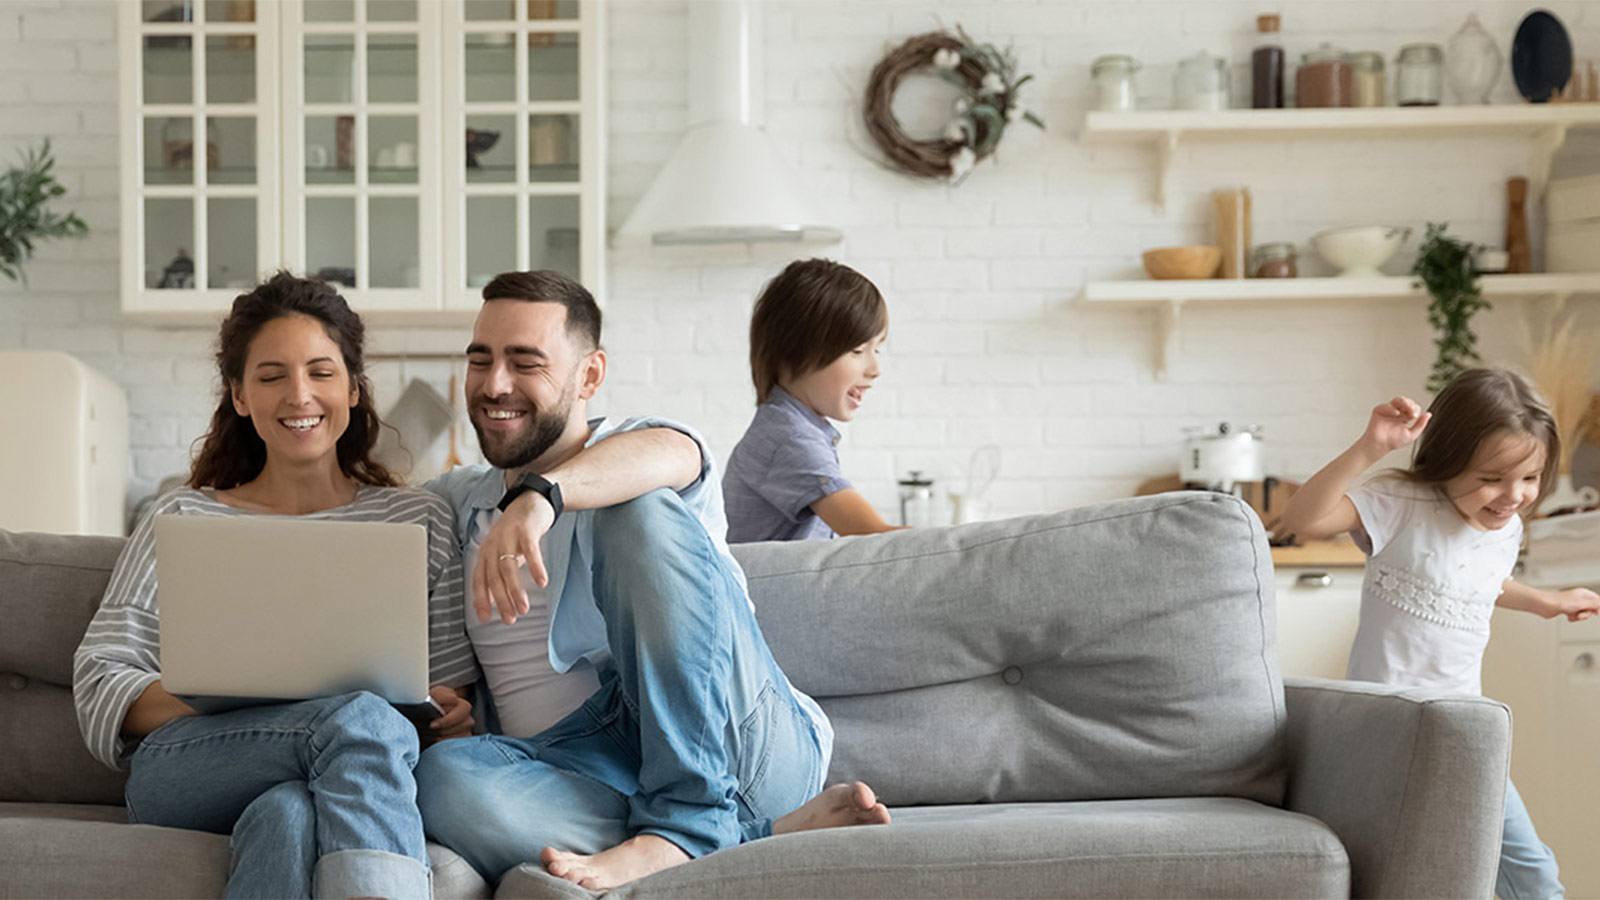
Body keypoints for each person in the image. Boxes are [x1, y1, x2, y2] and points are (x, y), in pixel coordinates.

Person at [414, 270, 888, 893]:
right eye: (481, 361)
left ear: (589, 376)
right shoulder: (456, 502)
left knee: (634, 506)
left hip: (740, 742)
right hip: (586, 765)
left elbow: (671, 453)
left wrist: (541, 496)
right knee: (439, 779)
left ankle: (688, 819)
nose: (495, 384)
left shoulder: (639, 448)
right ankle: (746, 836)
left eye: (525, 363)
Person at [73, 273, 480, 899]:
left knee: (287, 815)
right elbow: (102, 681)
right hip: (192, 767)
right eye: (271, 376)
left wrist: (450, 713)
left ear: (352, 387)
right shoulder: (180, 517)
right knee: (358, 721)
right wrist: (240, 696)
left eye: (321, 372)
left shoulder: (417, 520)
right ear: (239, 396)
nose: (299, 395)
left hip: (351, 768)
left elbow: (449, 693)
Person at [1278, 367, 1600, 900]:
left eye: (1530, 478)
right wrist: (1369, 447)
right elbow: (1302, 519)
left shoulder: (1505, 527)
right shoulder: (1398, 504)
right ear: (1448, 460)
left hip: (1465, 732)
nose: (1513, 495)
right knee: (1398, 874)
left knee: (1534, 875)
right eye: (1492, 478)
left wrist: (1546, 602)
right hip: (1385, 730)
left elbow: (1477, 581)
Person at [723, 258, 900, 543]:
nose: (875, 369)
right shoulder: (789, 439)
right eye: (857, 350)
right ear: (794, 351)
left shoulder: (793, 428)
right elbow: (876, 538)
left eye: (876, 350)